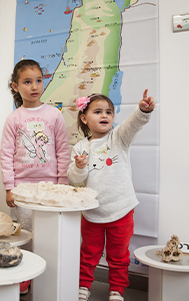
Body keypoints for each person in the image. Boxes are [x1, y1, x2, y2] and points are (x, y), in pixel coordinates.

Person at [67, 90, 155, 301]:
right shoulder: (80, 147)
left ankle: (117, 290)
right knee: (88, 255)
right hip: (93, 213)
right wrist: (79, 167)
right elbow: (73, 178)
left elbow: (132, 124)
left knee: (118, 257)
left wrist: (143, 110)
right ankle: (83, 287)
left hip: (121, 210)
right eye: (98, 112)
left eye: (109, 112)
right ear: (84, 118)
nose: (105, 115)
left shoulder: (119, 138)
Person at [0, 59, 70, 294]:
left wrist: (62, 183)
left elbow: (62, 150)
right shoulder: (14, 118)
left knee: (50, 234)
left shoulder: (54, 115)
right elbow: (6, 154)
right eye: (27, 82)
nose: (34, 86)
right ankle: (26, 274)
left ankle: (49, 273)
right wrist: (10, 187)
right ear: (15, 86)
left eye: (38, 80)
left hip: (50, 187)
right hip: (23, 190)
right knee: (27, 234)